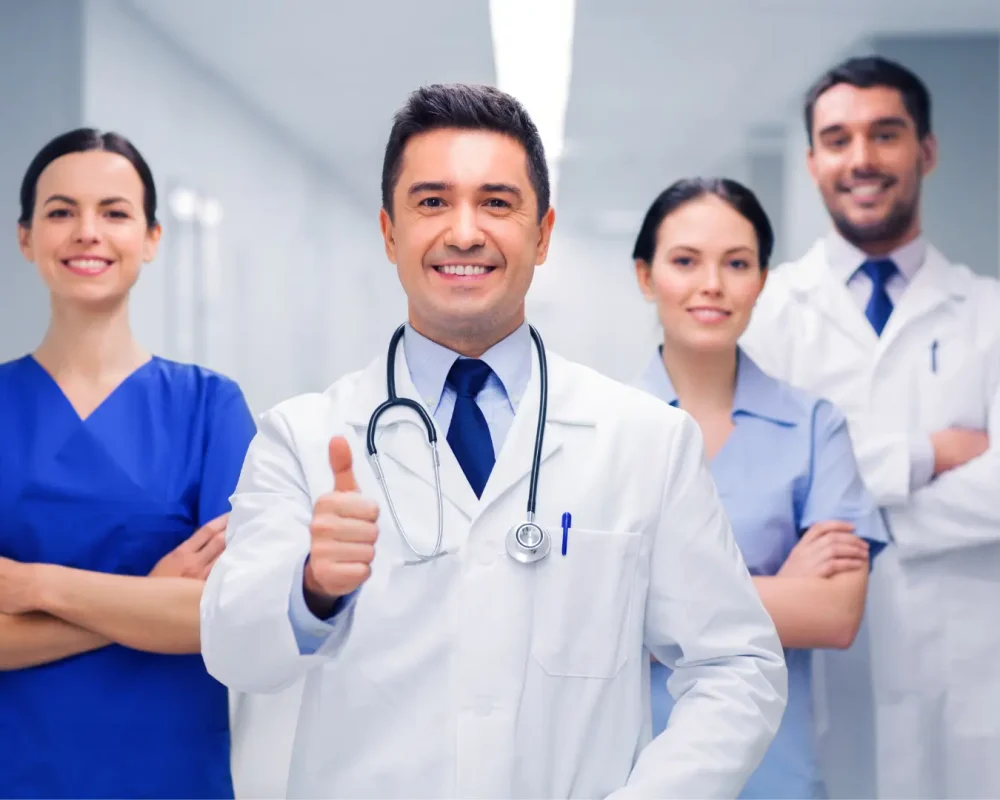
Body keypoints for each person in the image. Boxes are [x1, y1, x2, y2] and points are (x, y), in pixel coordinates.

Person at [200, 83, 788, 799]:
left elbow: (737, 667)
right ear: (389, 233)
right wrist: (312, 588)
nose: (465, 232)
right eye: (432, 201)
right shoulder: (301, 438)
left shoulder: (647, 442)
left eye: (497, 203)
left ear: (542, 234)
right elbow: (233, 653)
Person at [741, 56, 1000, 799]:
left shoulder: (989, 312)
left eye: (885, 134)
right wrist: (927, 454)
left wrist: (846, 511)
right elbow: (762, 486)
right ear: (812, 161)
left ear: (927, 150)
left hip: (970, 671)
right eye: (838, 139)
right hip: (824, 674)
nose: (861, 159)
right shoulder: (768, 312)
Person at [0, 129, 256, 799]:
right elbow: (182, 608)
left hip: (166, 776)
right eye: (61, 211)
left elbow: (219, 615)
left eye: (114, 212)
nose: (87, 231)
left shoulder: (210, 407)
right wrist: (149, 593)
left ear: (151, 238)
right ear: (25, 237)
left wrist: (33, 586)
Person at [630, 177, 889, 799]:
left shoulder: (815, 427)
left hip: (776, 773)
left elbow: (834, 615)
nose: (712, 284)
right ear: (645, 276)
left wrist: (653, 609)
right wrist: (785, 589)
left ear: (762, 281)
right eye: (685, 261)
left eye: (737, 263)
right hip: (637, 771)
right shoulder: (606, 431)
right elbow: (587, 617)